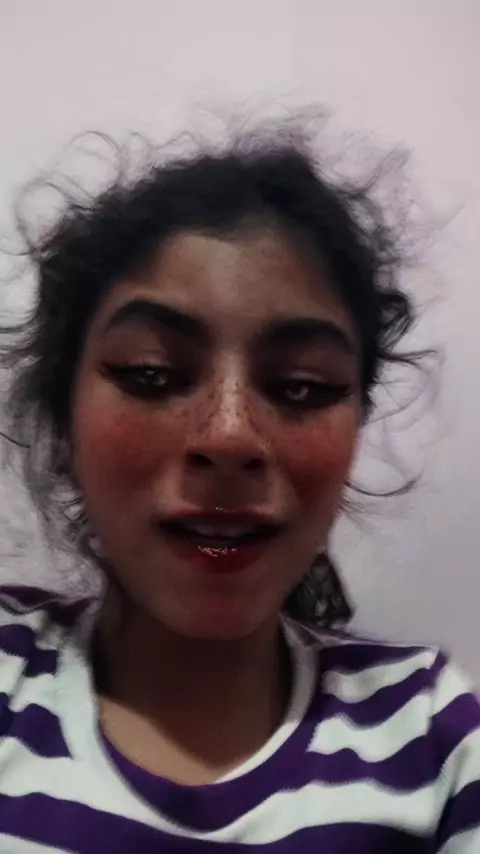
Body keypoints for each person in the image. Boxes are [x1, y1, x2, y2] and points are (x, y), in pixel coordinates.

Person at [0, 122, 478, 853]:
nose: (229, 437)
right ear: (65, 424)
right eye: (152, 374)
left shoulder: (434, 739)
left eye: (302, 386)